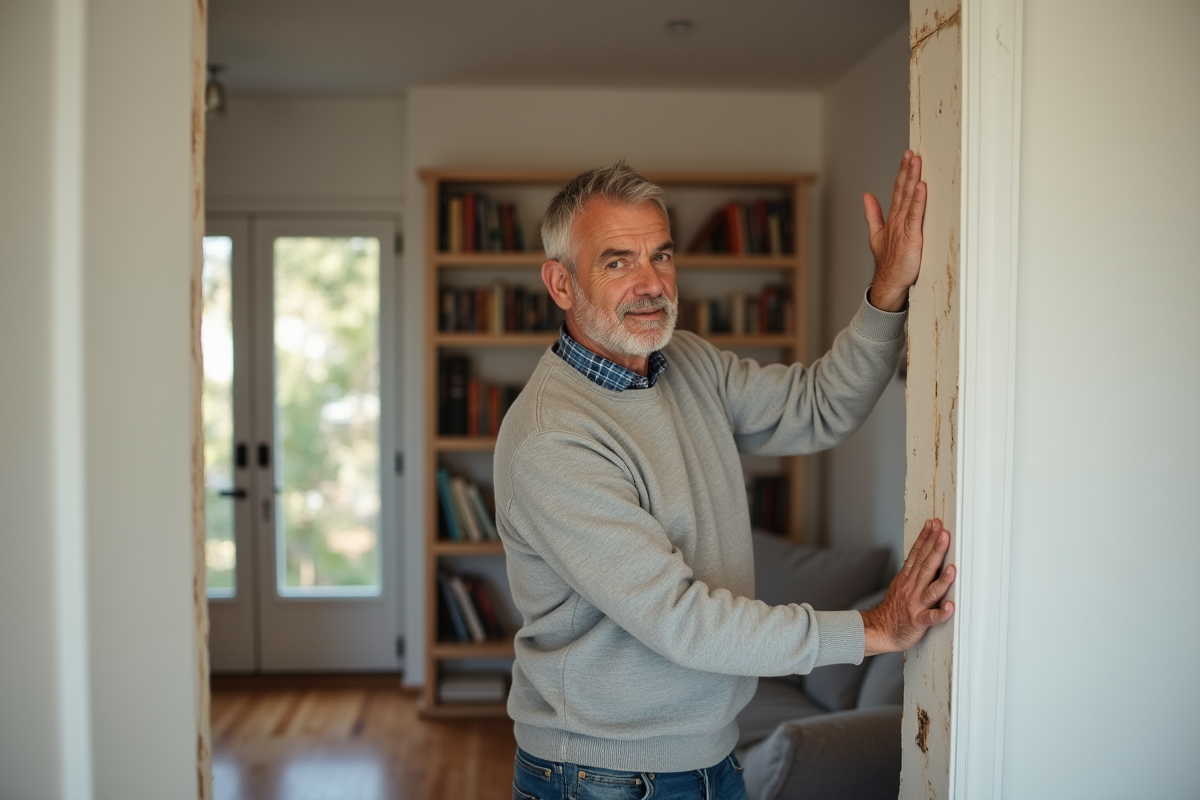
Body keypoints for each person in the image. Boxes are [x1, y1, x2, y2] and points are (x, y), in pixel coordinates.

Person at [493, 154, 955, 800]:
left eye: (661, 255)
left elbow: (816, 407)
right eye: (617, 261)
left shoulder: (683, 361)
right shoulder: (550, 440)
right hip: (602, 780)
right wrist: (874, 628)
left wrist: (888, 291)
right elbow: (683, 620)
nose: (651, 283)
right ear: (561, 283)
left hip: (714, 758)